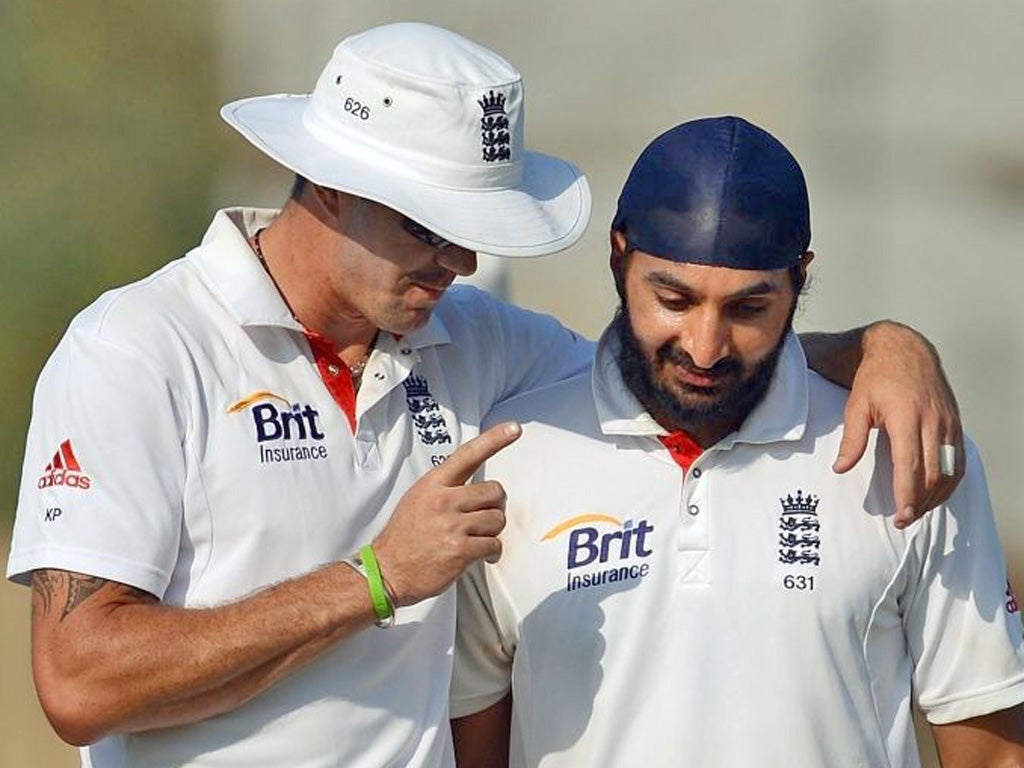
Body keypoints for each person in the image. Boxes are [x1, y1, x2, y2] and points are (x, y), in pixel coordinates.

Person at [6, 23, 961, 768]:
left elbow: (687, 368)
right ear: (327, 187)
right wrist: (372, 581)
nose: (461, 263)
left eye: (474, 230)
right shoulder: (136, 350)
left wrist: (883, 346)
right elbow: (80, 681)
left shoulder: (480, 337)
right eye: (432, 226)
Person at [450, 117, 1024, 767]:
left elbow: (993, 752)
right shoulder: (506, 461)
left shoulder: (907, 450)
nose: (704, 347)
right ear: (618, 256)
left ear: (799, 279)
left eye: (748, 309)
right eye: (672, 298)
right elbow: (473, 749)